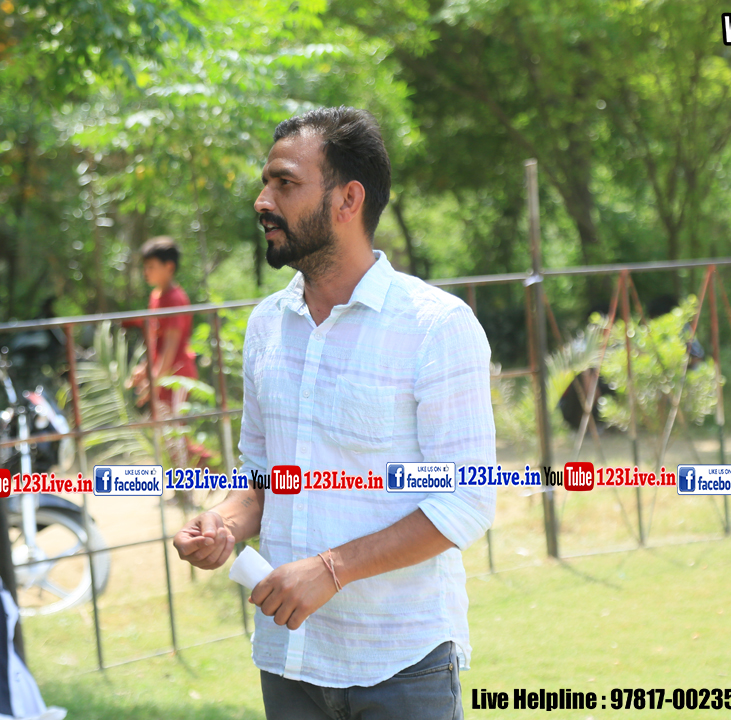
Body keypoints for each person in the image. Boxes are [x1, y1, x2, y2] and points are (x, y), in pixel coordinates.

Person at [173, 107, 496, 719]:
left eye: (285, 183)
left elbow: (466, 500)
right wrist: (223, 524)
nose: (263, 201)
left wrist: (330, 570)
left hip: (402, 666)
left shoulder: (436, 326)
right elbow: (262, 480)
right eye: (266, 183)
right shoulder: (267, 325)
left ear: (349, 199)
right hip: (289, 661)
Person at [126, 236, 198, 411]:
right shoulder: (155, 296)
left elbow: (170, 347)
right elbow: (156, 342)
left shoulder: (175, 299)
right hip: (162, 374)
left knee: (174, 426)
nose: (146, 272)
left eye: (151, 267)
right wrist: (145, 368)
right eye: (145, 267)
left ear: (169, 267)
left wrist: (155, 382)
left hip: (176, 377)